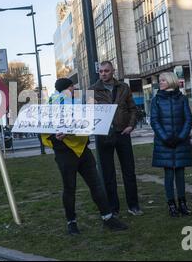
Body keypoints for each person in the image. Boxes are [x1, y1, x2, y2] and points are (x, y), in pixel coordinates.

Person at [42, 78, 128, 235]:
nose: (74, 89)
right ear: (64, 89)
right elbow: (44, 130)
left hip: (83, 150)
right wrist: (56, 138)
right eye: (71, 87)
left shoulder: (77, 102)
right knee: (70, 188)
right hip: (65, 153)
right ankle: (71, 222)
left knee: (96, 184)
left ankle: (108, 217)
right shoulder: (52, 105)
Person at [89, 61, 142, 216]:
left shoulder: (124, 87)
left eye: (106, 71)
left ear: (113, 71)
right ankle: (113, 208)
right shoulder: (92, 90)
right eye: (101, 71)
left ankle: (133, 205)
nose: (103, 73)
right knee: (107, 174)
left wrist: (131, 125)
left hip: (123, 133)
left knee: (129, 171)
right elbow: (88, 112)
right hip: (103, 135)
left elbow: (133, 109)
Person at [150, 72, 192, 217]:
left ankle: (183, 204)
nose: (160, 82)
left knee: (180, 174)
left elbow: (188, 119)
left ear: (170, 81)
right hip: (164, 143)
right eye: (159, 80)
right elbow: (154, 121)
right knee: (168, 175)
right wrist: (166, 138)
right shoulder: (156, 100)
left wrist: (181, 137)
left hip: (180, 143)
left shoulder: (182, 99)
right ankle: (171, 205)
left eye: (162, 80)